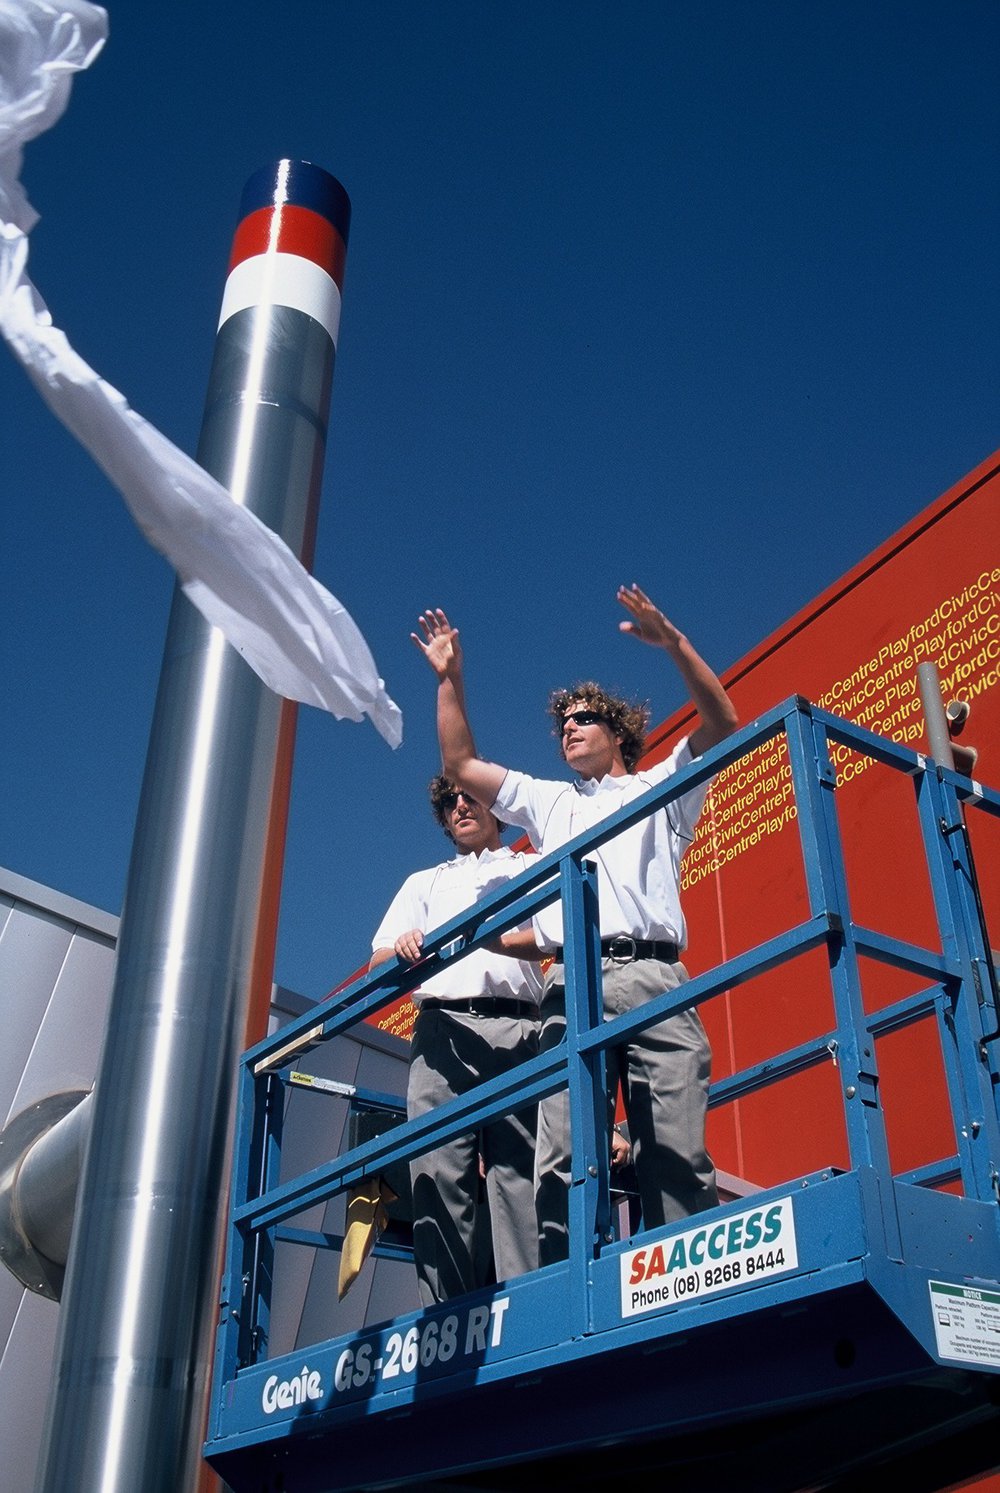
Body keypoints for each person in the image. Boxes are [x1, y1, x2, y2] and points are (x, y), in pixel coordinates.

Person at [413, 583, 738, 1264]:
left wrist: (672, 640)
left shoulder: (662, 788)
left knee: (674, 1148)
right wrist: (450, 679)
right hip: (572, 984)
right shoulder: (552, 802)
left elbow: (722, 720)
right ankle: (563, 1293)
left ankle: (686, 1283)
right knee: (560, 1155)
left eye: (584, 717)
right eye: (562, 722)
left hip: (653, 974)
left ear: (617, 732)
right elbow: (461, 765)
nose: (569, 727)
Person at [370, 775, 543, 1305]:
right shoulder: (424, 883)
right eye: (451, 803)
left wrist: (496, 937)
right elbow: (378, 961)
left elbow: (553, 937)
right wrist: (400, 950)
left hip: (517, 1028)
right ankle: (448, 1317)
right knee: (439, 1175)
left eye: (470, 797)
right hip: (441, 1033)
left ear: (496, 806)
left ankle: (528, 1305)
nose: (461, 807)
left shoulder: (527, 867)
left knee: (519, 1174)